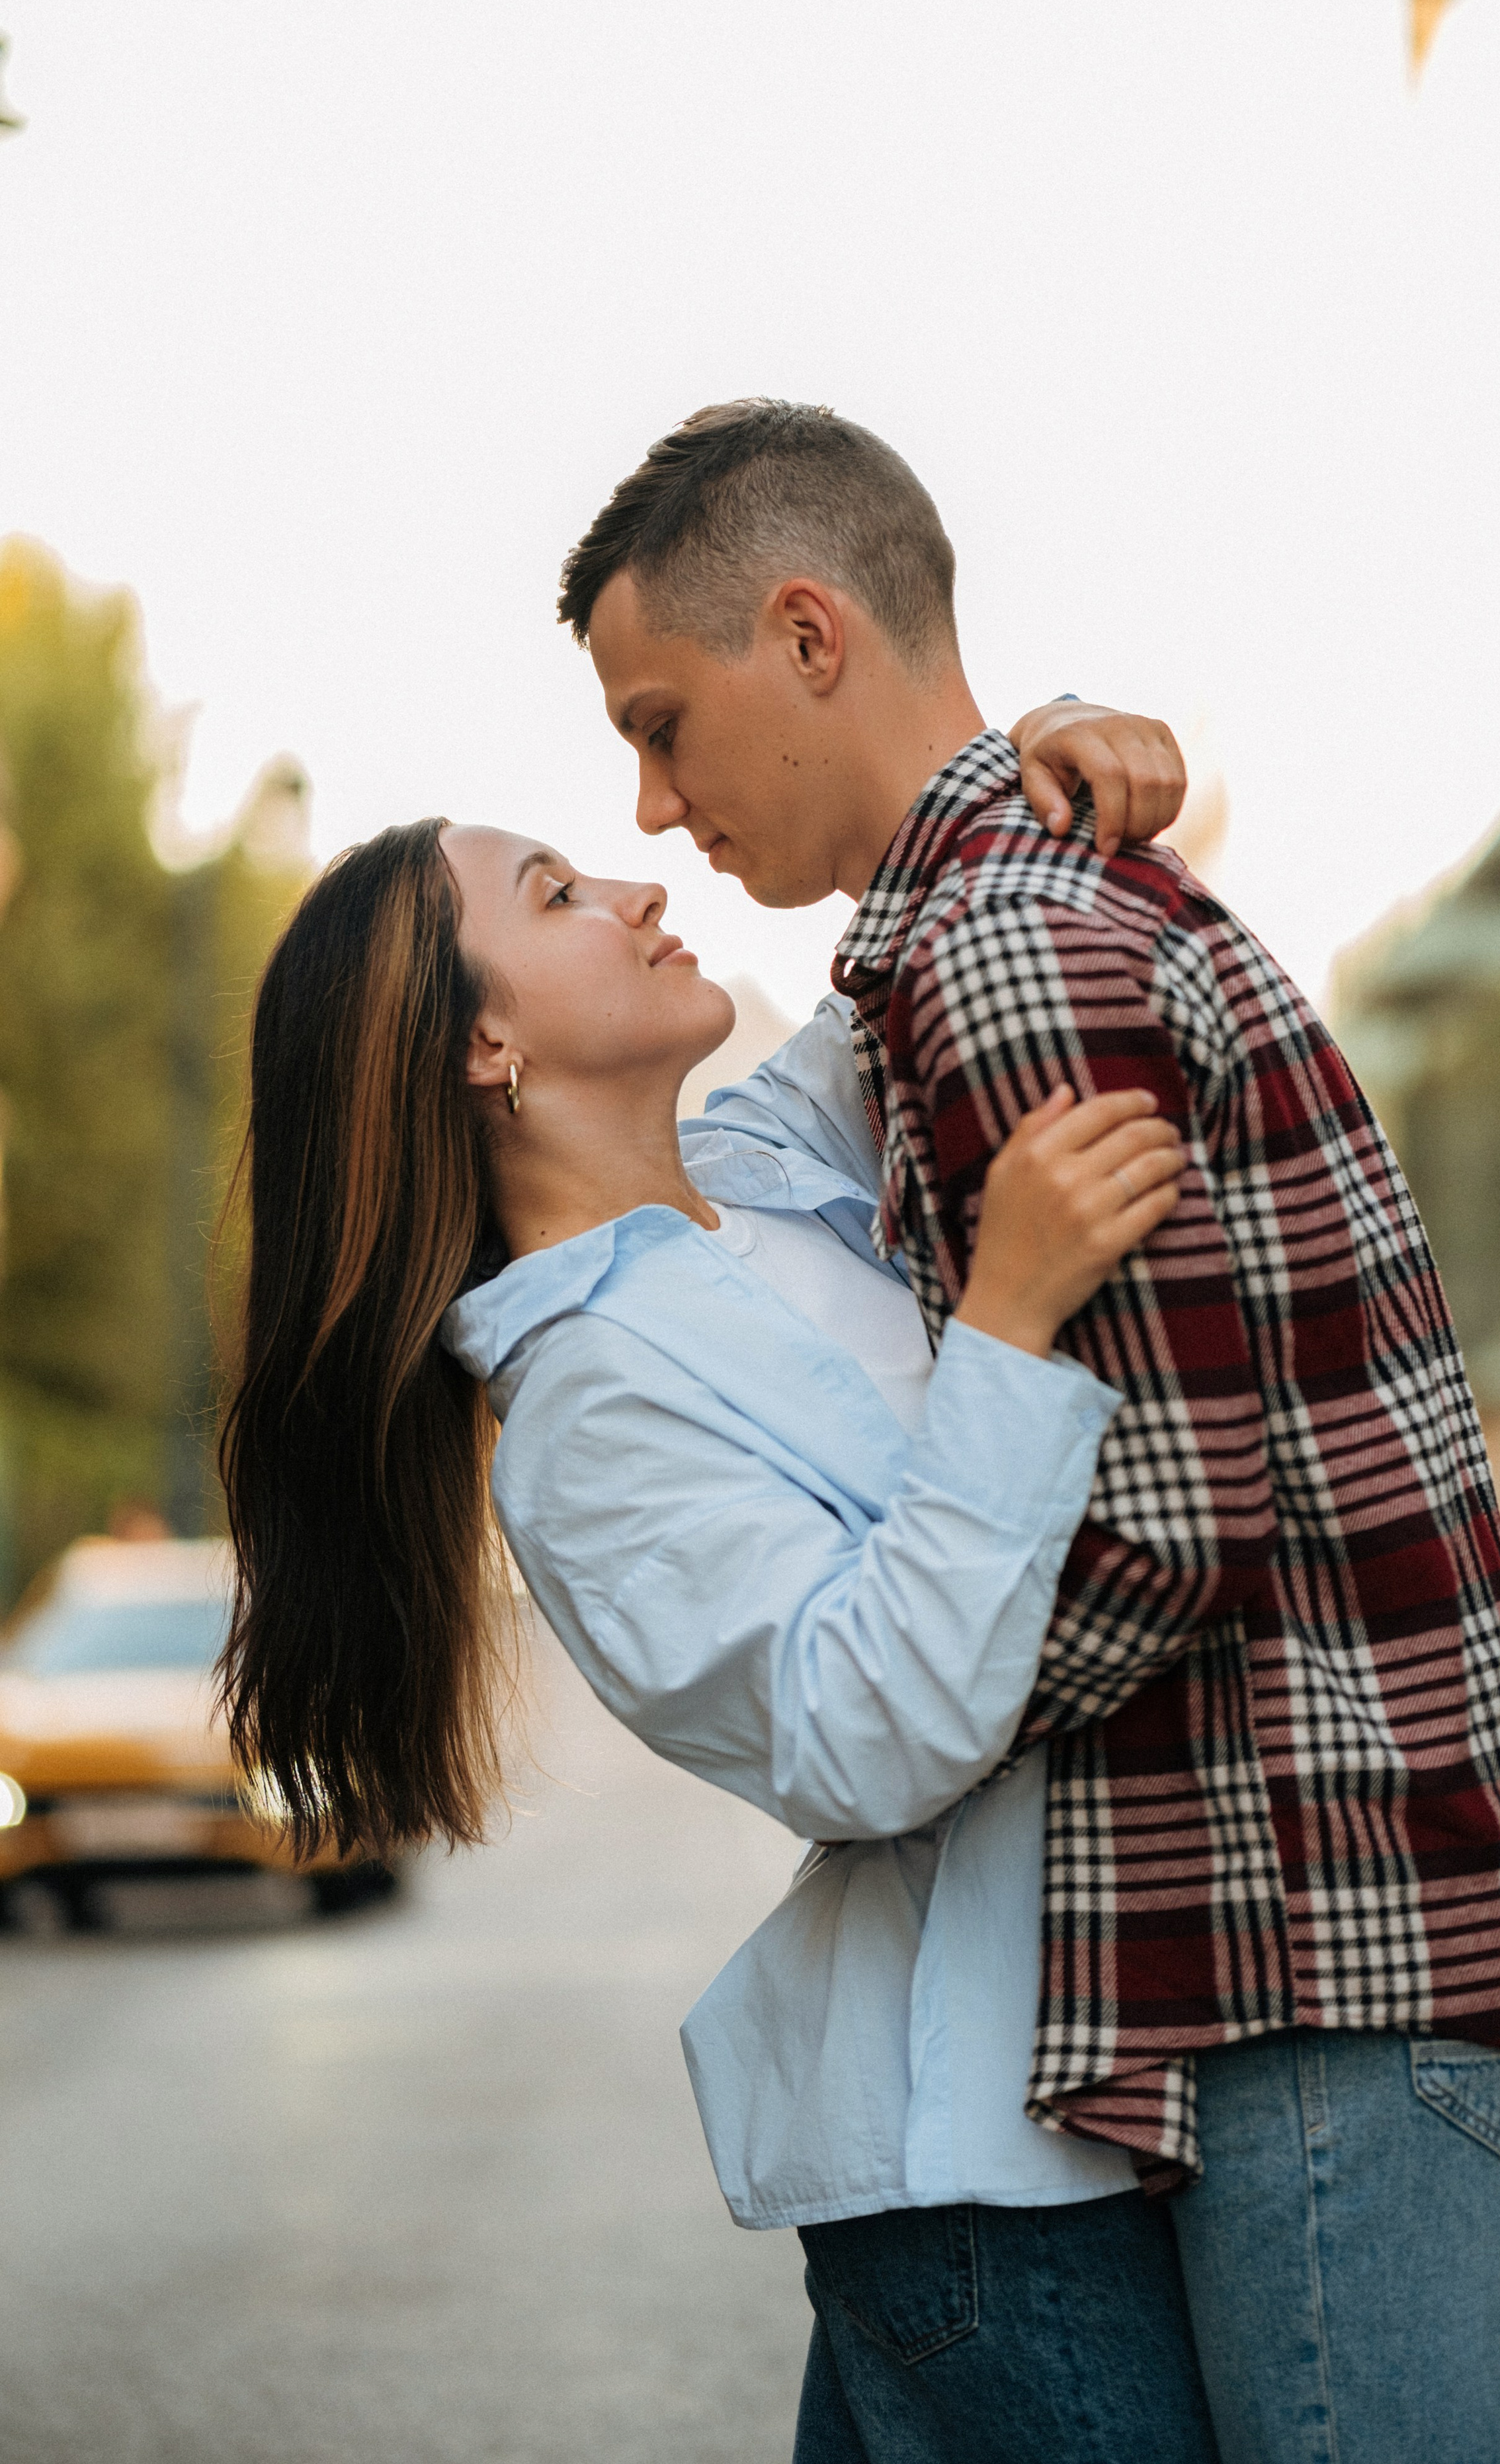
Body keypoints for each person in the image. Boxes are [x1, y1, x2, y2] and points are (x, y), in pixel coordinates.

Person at [558, 399, 1500, 2464]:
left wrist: (905, 1707)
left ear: (810, 636)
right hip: (1303, 1939)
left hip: (1340, 1946)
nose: (652, 797)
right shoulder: (993, 927)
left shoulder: (1007, 955)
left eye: (661, 719)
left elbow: (1163, 1526)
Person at [218, 753, 1229, 2461]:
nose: (638, 885)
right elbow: (864, 1738)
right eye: (556, 895)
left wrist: (1040, 752)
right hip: (985, 2170)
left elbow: (940, 936)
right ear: (483, 1046)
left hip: (1088, 2088)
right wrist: (1007, 1321)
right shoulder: (587, 1419)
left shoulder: (751, 1173)